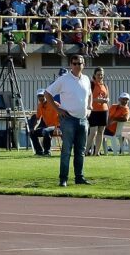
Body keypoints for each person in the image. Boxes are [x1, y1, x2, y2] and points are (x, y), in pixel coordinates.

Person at [44, 55, 92, 187]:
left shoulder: (86, 79)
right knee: (66, 150)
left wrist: (89, 107)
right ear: (71, 64)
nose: (77, 66)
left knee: (80, 151)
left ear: (83, 64)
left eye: (80, 63)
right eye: (75, 63)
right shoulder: (63, 79)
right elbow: (47, 93)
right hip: (68, 119)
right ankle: (63, 178)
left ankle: (79, 177)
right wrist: (58, 110)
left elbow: (90, 94)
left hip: (83, 119)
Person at [85, 67, 109, 156]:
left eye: (102, 75)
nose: (100, 76)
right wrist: (96, 100)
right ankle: (86, 151)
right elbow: (87, 98)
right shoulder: (91, 84)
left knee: (100, 131)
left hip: (104, 110)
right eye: (98, 74)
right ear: (94, 75)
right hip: (94, 111)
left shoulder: (105, 85)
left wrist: (106, 100)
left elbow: (106, 97)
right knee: (93, 132)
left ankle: (96, 152)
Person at [29, 89, 59, 156]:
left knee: (45, 131)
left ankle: (47, 152)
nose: (41, 98)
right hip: (48, 127)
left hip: (57, 126)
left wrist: (57, 127)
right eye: (39, 96)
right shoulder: (40, 105)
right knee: (32, 133)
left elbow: (61, 115)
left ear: (46, 96)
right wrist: (34, 128)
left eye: (42, 96)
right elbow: (38, 118)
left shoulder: (54, 104)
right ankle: (39, 152)